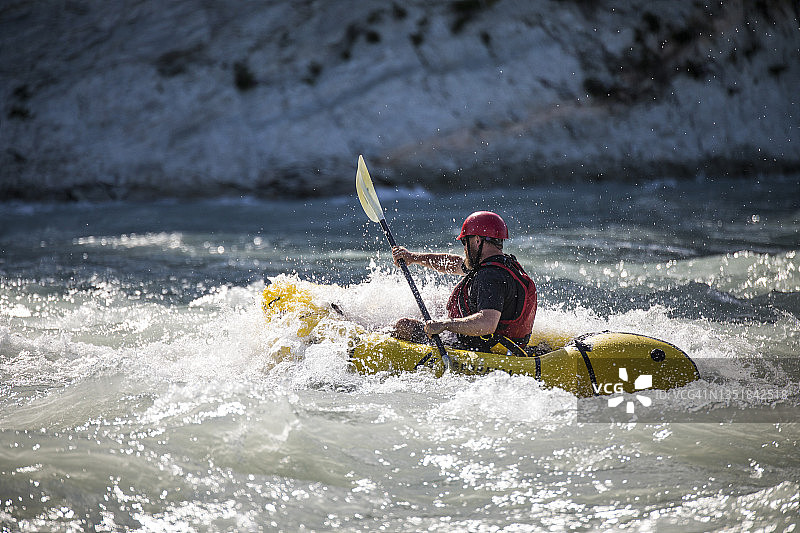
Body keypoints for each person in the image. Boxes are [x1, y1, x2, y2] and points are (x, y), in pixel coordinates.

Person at [391, 211, 537, 354]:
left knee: (404, 326)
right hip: (506, 346)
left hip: (483, 349)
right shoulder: (503, 264)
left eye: (465, 242)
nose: (465, 248)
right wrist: (413, 257)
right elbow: (454, 263)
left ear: (477, 240)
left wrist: (444, 325)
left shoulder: (490, 276)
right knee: (438, 307)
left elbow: (487, 323)